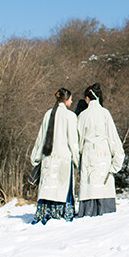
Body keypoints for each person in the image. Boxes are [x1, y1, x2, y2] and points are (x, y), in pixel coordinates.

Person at [30, 88, 79, 224]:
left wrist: (36, 157)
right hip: (63, 160)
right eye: (70, 99)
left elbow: (41, 137)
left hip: (48, 158)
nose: (72, 101)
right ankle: (63, 213)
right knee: (62, 190)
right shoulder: (70, 116)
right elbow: (73, 142)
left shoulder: (48, 114)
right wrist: (77, 160)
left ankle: (46, 214)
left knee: (48, 188)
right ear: (66, 99)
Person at [76, 83, 124, 217]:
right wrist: (116, 163)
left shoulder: (83, 115)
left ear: (87, 98)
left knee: (89, 187)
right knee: (104, 188)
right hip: (104, 156)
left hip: (88, 154)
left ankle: (87, 213)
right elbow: (113, 138)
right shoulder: (105, 113)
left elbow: (78, 141)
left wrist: (79, 155)